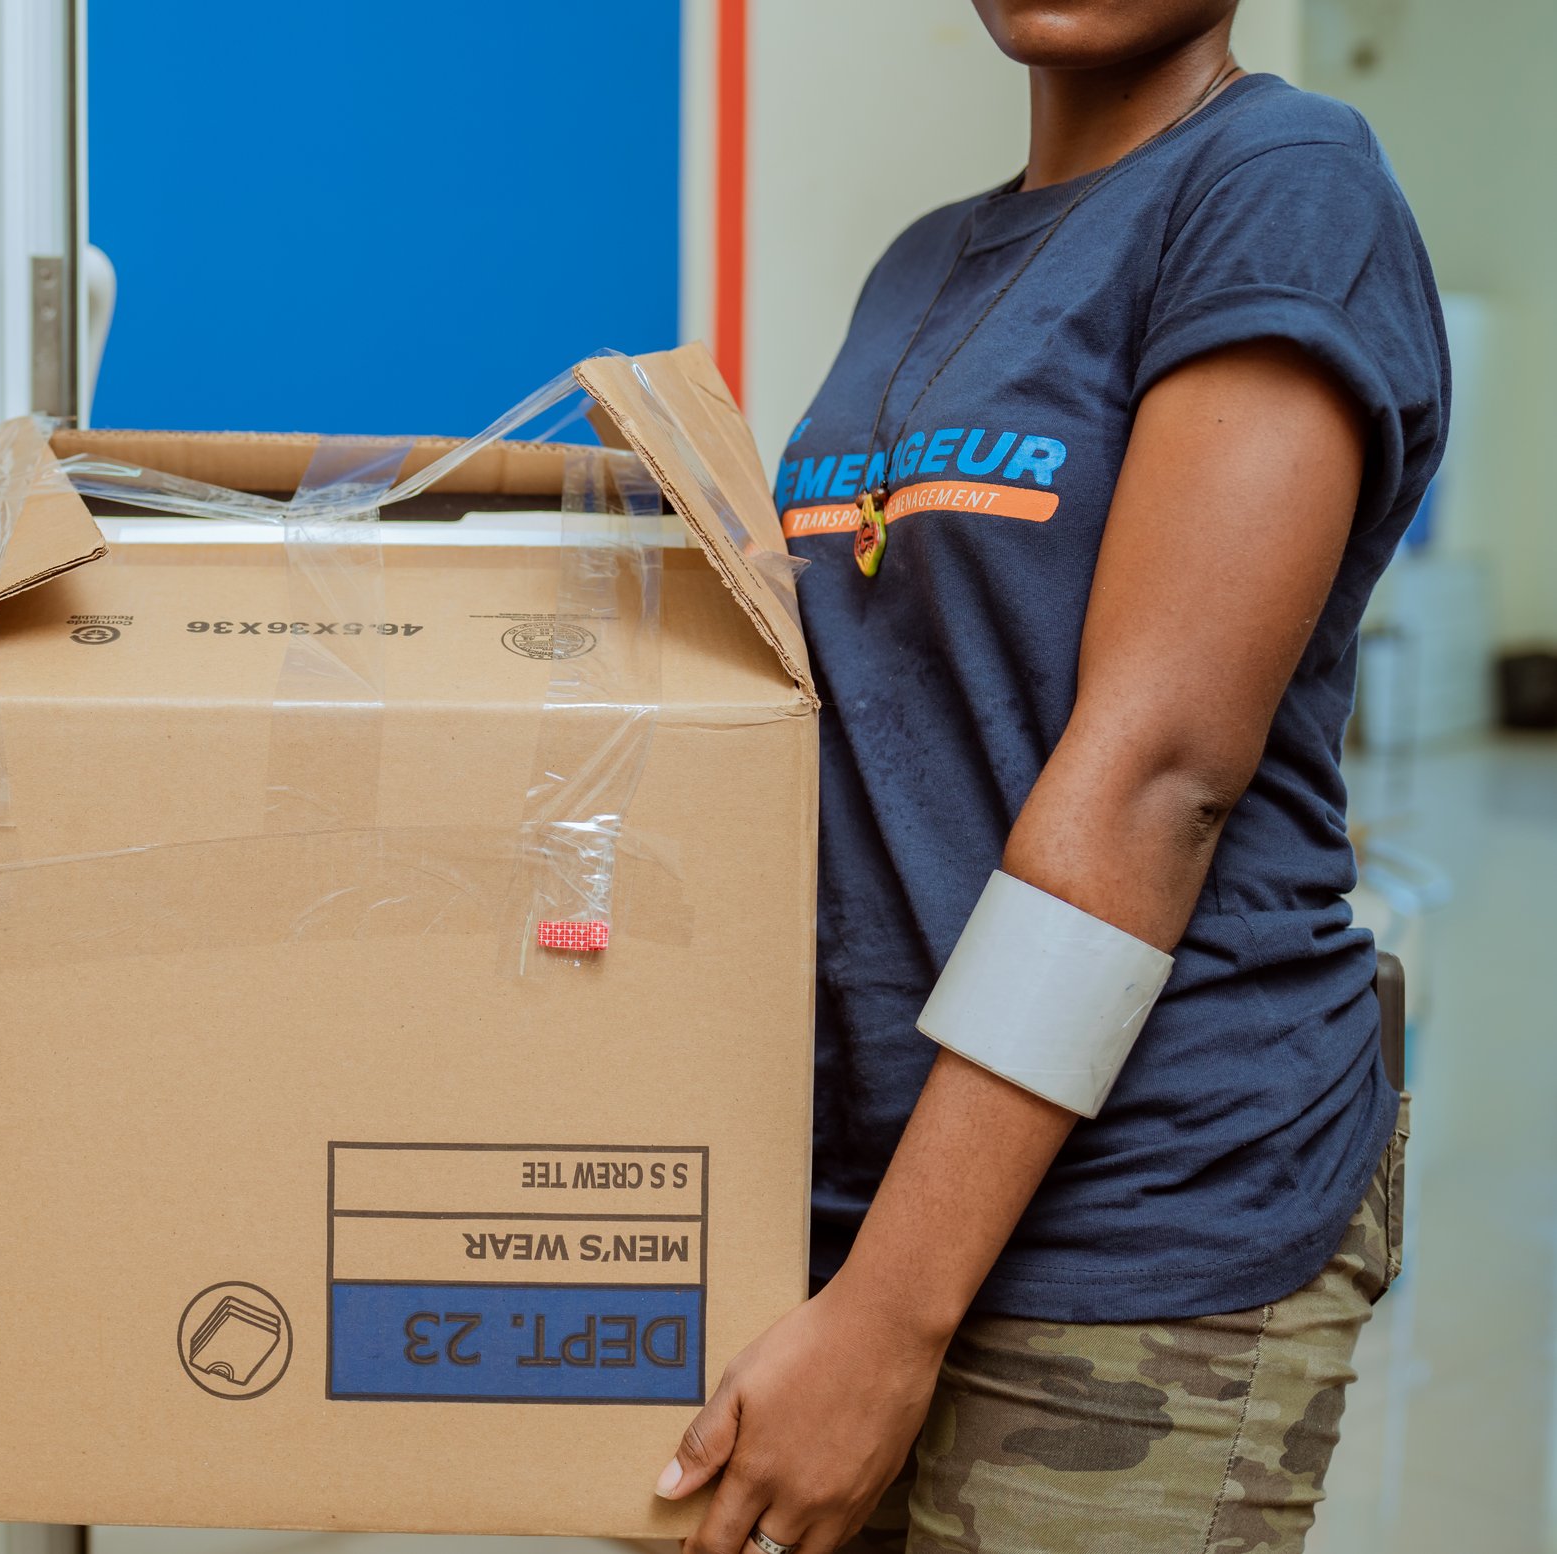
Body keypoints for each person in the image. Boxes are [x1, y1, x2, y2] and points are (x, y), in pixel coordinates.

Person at [652, 3, 1443, 1551]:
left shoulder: (1284, 182)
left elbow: (1160, 778)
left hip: (1140, 1217)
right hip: (864, 1205)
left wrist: (887, 1319)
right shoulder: (923, 261)